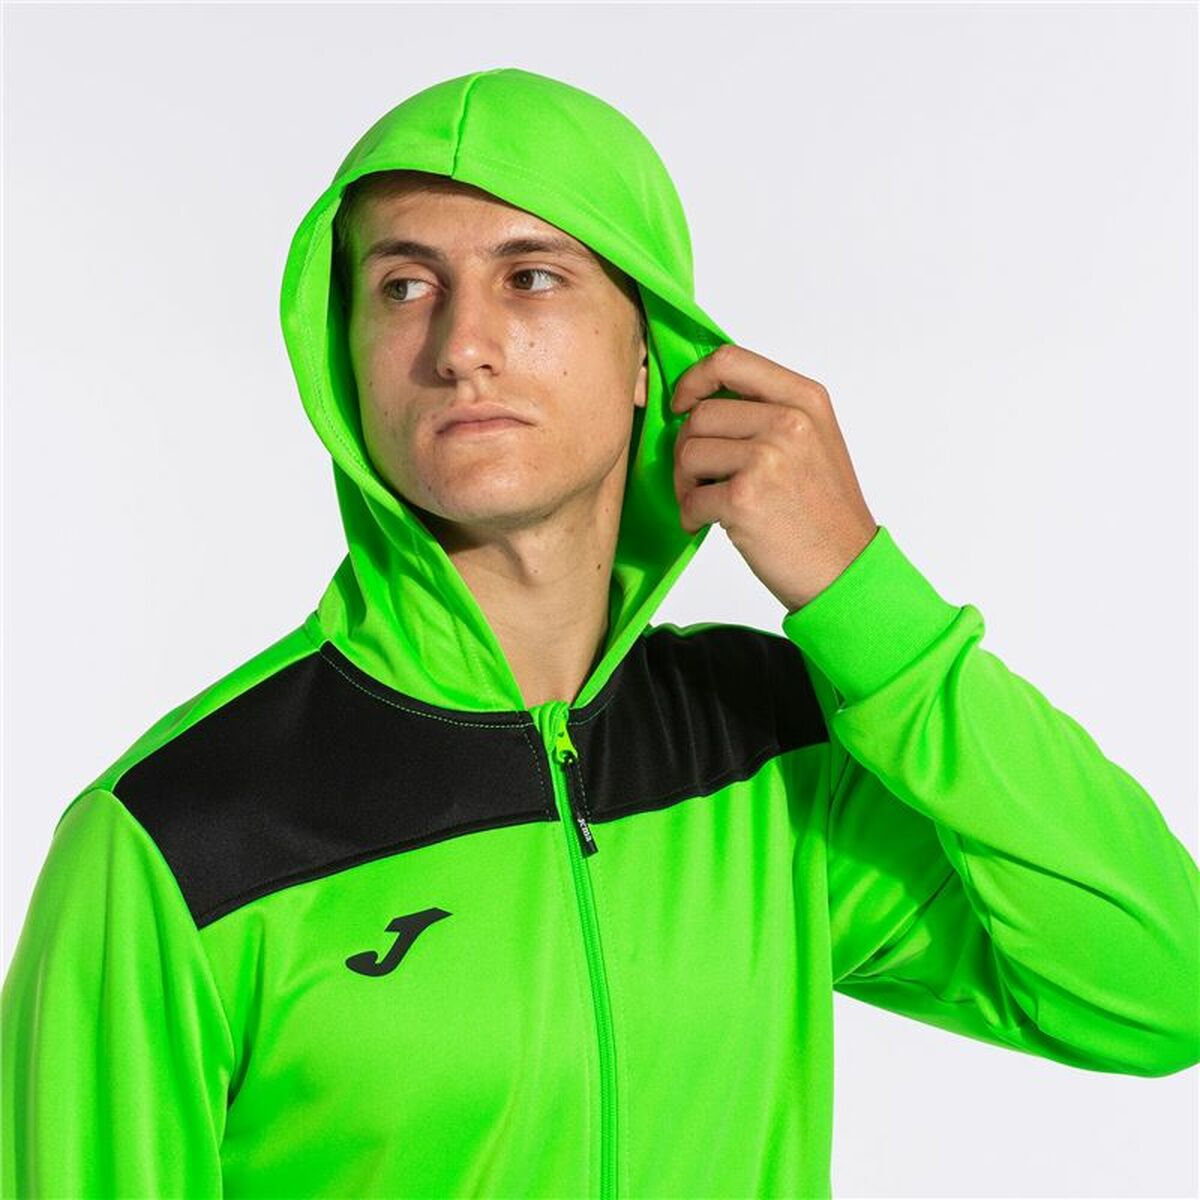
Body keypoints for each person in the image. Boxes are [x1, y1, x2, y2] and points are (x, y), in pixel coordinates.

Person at [2, 66, 1197, 1200]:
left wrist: (860, 594)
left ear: (647, 353)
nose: (461, 347)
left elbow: (1160, 988)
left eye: (531, 277)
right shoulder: (176, 842)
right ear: (344, 356)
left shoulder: (769, 753)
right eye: (404, 287)